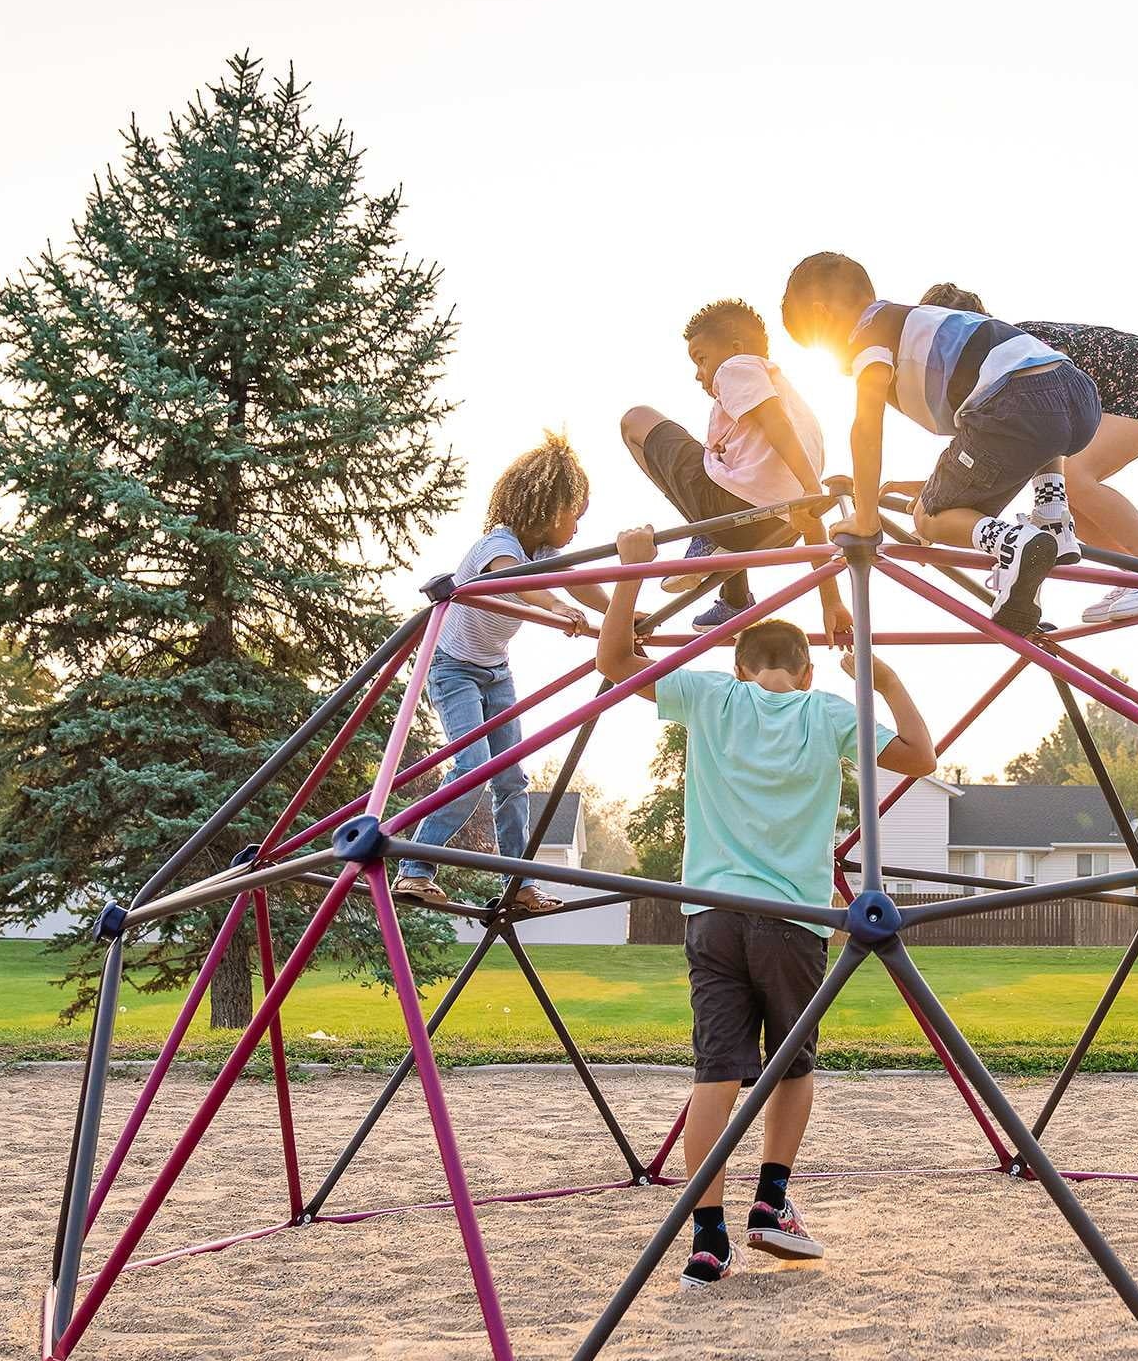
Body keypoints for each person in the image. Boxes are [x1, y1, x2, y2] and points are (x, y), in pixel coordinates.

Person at [597, 524, 937, 1287]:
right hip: (793, 920)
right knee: (790, 1067)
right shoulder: (827, 713)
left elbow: (613, 663)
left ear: (740, 665)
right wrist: (880, 681)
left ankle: (708, 1236)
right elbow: (922, 756)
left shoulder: (712, 694)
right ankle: (772, 1203)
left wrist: (634, 570)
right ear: (811, 668)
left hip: (710, 915)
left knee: (714, 1073)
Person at [781, 252, 1101, 635]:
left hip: (1012, 406)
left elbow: (866, 427)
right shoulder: (925, 320)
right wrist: (935, 489)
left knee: (929, 518)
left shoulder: (868, 335)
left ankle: (1016, 543)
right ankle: (1053, 516)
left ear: (822, 316)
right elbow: (999, 441)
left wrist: (866, 516)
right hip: (1076, 395)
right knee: (1031, 430)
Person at [392, 436, 609, 918]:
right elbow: (518, 583)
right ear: (553, 510)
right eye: (576, 514)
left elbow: (581, 583)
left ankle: (520, 886)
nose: (577, 528)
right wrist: (556, 605)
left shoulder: (541, 553)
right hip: (453, 669)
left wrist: (624, 618)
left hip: (495, 671)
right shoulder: (501, 545)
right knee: (473, 769)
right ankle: (414, 868)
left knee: (512, 779)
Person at [920, 284, 1138, 622]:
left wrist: (934, 504)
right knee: (1070, 502)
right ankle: (1137, 576)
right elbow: (987, 466)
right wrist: (928, 498)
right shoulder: (995, 361)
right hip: (1117, 392)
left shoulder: (1013, 347)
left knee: (1075, 478)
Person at [619, 297, 849, 643]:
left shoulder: (736, 368)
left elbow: (777, 427)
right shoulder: (801, 417)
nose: (698, 373)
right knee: (720, 464)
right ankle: (734, 598)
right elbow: (810, 510)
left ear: (736, 348)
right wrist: (831, 601)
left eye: (701, 359)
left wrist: (810, 486)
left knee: (634, 420)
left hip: (731, 513)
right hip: (776, 535)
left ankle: (706, 535)